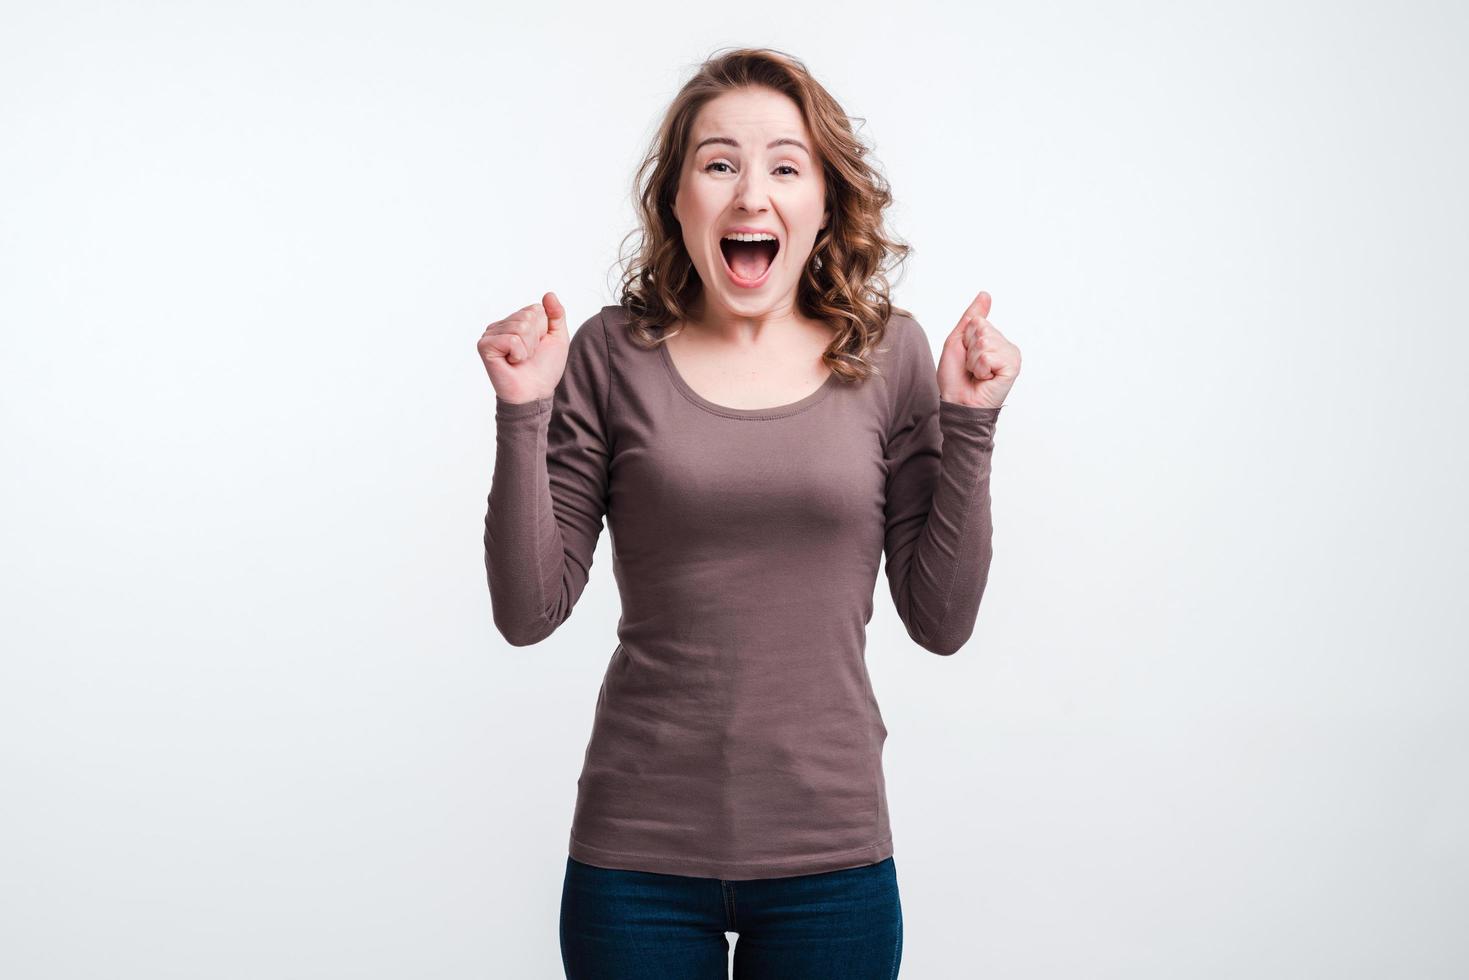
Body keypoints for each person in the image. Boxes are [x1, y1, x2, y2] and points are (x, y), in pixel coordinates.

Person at [477, 46, 1021, 980]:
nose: (750, 195)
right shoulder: (610, 354)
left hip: (831, 859)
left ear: (824, 200)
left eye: (784, 165)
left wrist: (969, 424)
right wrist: (523, 408)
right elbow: (528, 612)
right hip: (634, 861)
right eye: (718, 162)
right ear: (677, 199)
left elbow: (939, 623)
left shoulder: (890, 356)